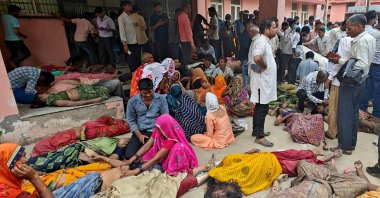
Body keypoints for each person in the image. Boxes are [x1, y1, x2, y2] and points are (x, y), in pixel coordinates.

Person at [329, 14, 376, 155]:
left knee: (344, 114)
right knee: (353, 113)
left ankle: (344, 146)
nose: (347, 31)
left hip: (352, 81)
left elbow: (360, 63)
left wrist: (340, 61)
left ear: (359, 26)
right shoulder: (370, 38)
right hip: (361, 81)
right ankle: (351, 144)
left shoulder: (360, 41)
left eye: (349, 28)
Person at [248, 19, 278, 147]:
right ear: (267, 29)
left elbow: (254, 62)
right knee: (262, 108)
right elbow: (257, 58)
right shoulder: (261, 41)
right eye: (274, 27)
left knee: (260, 107)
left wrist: (261, 68)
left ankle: (256, 131)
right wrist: (264, 67)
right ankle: (259, 137)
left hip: (263, 81)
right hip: (262, 82)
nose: (276, 30)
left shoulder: (263, 40)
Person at [125, 78, 169, 159]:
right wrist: (139, 136)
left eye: (150, 92)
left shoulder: (161, 99)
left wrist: (157, 134)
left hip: (156, 131)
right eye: (145, 93)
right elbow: (131, 120)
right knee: (129, 156)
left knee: (154, 156)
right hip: (139, 131)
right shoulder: (132, 101)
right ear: (140, 91)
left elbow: (165, 117)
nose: (148, 95)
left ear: (153, 89)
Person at [326, 36, 353, 139]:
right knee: (345, 109)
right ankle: (342, 132)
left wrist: (329, 77)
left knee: (333, 109)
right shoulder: (368, 39)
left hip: (339, 81)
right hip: (352, 82)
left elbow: (339, 63)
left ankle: (332, 132)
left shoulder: (345, 40)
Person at [360, 10, 380, 118]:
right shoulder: (377, 34)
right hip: (377, 64)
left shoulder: (361, 30)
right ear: (373, 20)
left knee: (367, 88)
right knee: (377, 90)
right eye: (376, 19)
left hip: (367, 63)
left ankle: (362, 108)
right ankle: (377, 113)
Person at [33, 84, 110, 107]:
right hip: (87, 94)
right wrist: (94, 100)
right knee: (110, 86)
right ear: (42, 98)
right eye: (41, 94)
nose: (43, 93)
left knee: (109, 85)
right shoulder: (55, 101)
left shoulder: (51, 95)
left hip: (84, 89)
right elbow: (74, 103)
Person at [118, 1, 141, 72]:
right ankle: (133, 74)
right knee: (131, 58)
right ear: (124, 7)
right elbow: (122, 31)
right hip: (128, 44)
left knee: (138, 58)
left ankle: (139, 73)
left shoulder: (132, 16)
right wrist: (125, 44)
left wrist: (136, 24)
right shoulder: (121, 18)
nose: (131, 7)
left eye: (131, 5)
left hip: (136, 41)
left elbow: (135, 26)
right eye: (129, 5)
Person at [178, 2, 195, 76]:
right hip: (186, 41)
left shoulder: (180, 16)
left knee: (184, 56)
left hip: (182, 40)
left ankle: (183, 71)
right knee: (186, 57)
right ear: (185, 8)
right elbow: (188, 32)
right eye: (189, 7)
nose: (190, 9)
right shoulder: (185, 18)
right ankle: (185, 73)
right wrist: (192, 44)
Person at [239, 21, 257, 86]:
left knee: (249, 73)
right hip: (245, 57)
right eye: (250, 24)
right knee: (246, 74)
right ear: (247, 25)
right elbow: (246, 46)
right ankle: (246, 88)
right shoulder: (245, 35)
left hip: (248, 58)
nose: (251, 25)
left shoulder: (247, 34)